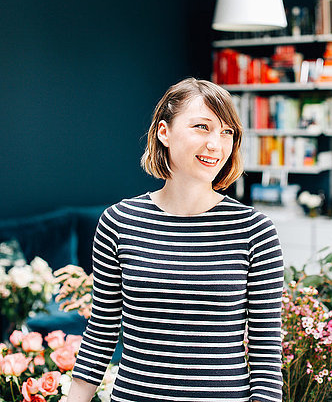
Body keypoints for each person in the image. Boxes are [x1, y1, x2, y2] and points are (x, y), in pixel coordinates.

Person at [68, 77, 284, 402]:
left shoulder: (254, 230)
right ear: (164, 132)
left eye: (227, 132)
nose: (216, 144)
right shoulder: (119, 221)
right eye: (202, 126)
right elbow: (102, 330)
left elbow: (266, 351)